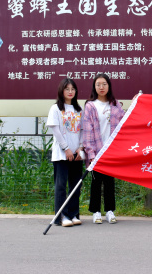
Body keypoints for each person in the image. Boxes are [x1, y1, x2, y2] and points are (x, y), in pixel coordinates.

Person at [82, 73, 125, 224]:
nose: (101, 87)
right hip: (96, 150)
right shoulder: (90, 106)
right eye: (98, 84)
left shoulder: (115, 104)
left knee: (109, 182)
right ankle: (95, 211)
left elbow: (124, 122)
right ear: (94, 86)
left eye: (104, 84)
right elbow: (87, 130)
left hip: (111, 151)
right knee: (96, 182)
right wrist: (91, 153)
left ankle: (110, 211)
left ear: (109, 86)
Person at [47, 78, 83, 227]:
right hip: (62, 154)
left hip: (77, 154)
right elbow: (55, 130)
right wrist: (66, 149)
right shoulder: (55, 108)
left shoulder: (79, 109)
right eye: (67, 89)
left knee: (76, 186)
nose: (70, 92)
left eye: (72, 89)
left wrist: (80, 148)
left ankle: (73, 214)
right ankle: (61, 216)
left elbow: (82, 130)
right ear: (61, 91)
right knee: (61, 186)